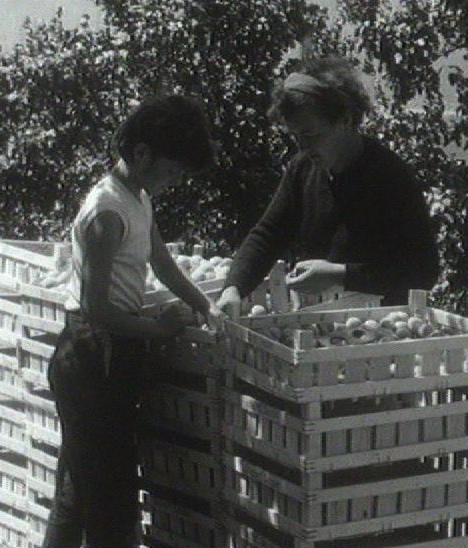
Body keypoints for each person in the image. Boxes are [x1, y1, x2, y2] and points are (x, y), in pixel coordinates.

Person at [43, 95, 225, 548]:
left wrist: (205, 304)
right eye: (172, 171)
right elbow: (96, 310)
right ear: (142, 153)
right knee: (109, 496)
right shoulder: (107, 212)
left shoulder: (138, 198)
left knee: (79, 486)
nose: (174, 181)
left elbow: (160, 263)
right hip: (90, 357)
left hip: (111, 356)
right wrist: (158, 329)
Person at [216, 56, 439, 314]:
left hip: (380, 330)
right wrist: (234, 288)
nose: (303, 147)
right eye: (296, 136)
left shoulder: (389, 177)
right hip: (316, 324)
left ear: (345, 120)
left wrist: (340, 275)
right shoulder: (303, 169)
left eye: (311, 135)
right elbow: (268, 235)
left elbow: (423, 271)